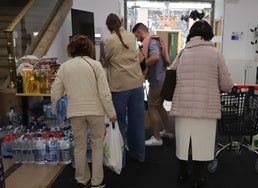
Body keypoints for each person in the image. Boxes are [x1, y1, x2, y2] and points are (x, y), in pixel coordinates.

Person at [170, 20, 234, 188]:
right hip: (206, 106)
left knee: (184, 143)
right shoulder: (215, 53)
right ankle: (199, 179)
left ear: (191, 34)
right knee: (202, 143)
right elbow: (227, 85)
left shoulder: (183, 53)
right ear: (209, 35)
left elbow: (171, 72)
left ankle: (182, 174)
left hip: (183, 105)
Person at [51, 35, 117, 188]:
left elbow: (55, 92)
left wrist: (55, 110)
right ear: (88, 48)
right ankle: (97, 181)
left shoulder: (64, 67)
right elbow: (104, 93)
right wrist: (111, 113)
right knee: (97, 146)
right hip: (96, 111)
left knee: (79, 147)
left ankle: (82, 179)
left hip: (75, 111)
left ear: (71, 49)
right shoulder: (96, 65)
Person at [102, 13, 146, 165]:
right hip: (137, 84)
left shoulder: (107, 41)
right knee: (137, 121)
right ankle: (139, 154)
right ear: (120, 22)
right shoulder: (131, 36)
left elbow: (104, 63)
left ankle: (120, 159)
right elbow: (135, 54)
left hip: (119, 87)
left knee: (119, 122)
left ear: (108, 27)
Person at [132, 22, 174, 146]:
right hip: (161, 79)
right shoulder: (153, 40)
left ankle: (156, 138)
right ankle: (168, 131)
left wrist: (143, 64)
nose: (137, 39)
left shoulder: (151, 41)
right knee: (160, 106)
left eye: (136, 36)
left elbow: (155, 57)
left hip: (157, 80)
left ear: (140, 32)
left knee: (152, 107)